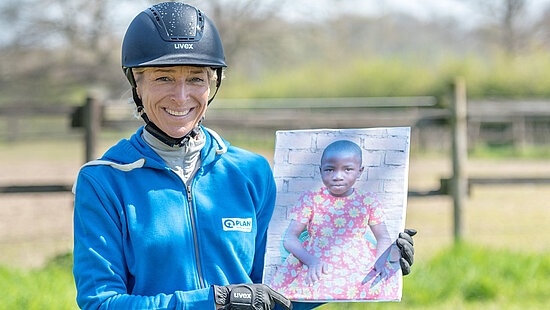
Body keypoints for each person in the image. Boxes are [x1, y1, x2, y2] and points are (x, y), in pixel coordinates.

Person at [72, 2, 416, 310]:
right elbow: (101, 303)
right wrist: (215, 302)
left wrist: (369, 264)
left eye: (196, 78)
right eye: (163, 78)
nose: (181, 96)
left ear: (213, 84)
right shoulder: (104, 180)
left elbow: (277, 295)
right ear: (137, 84)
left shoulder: (251, 172)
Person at [269, 140, 403, 301]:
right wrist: (311, 261)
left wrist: (380, 262)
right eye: (330, 169)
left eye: (347, 169)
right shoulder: (311, 199)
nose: (338, 176)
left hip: (357, 261)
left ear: (360, 171)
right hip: (315, 258)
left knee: (373, 287)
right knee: (303, 290)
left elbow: (383, 237)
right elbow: (290, 238)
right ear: (320, 171)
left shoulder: (368, 200)